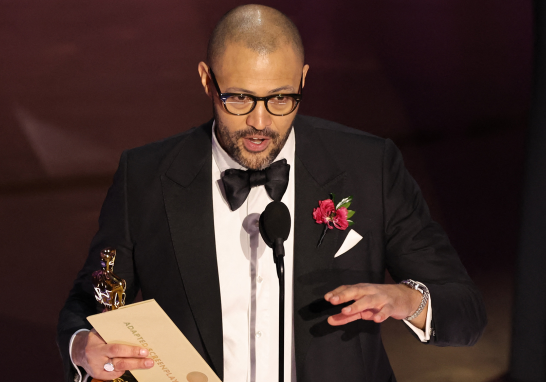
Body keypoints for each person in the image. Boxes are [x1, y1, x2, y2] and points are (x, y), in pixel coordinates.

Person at [57, 4, 487, 382]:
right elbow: (91, 299)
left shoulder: (368, 167)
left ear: (302, 79)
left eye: (282, 98)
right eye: (240, 99)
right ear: (208, 81)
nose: (261, 123)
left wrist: (406, 300)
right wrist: (83, 347)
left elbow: (465, 311)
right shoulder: (146, 176)